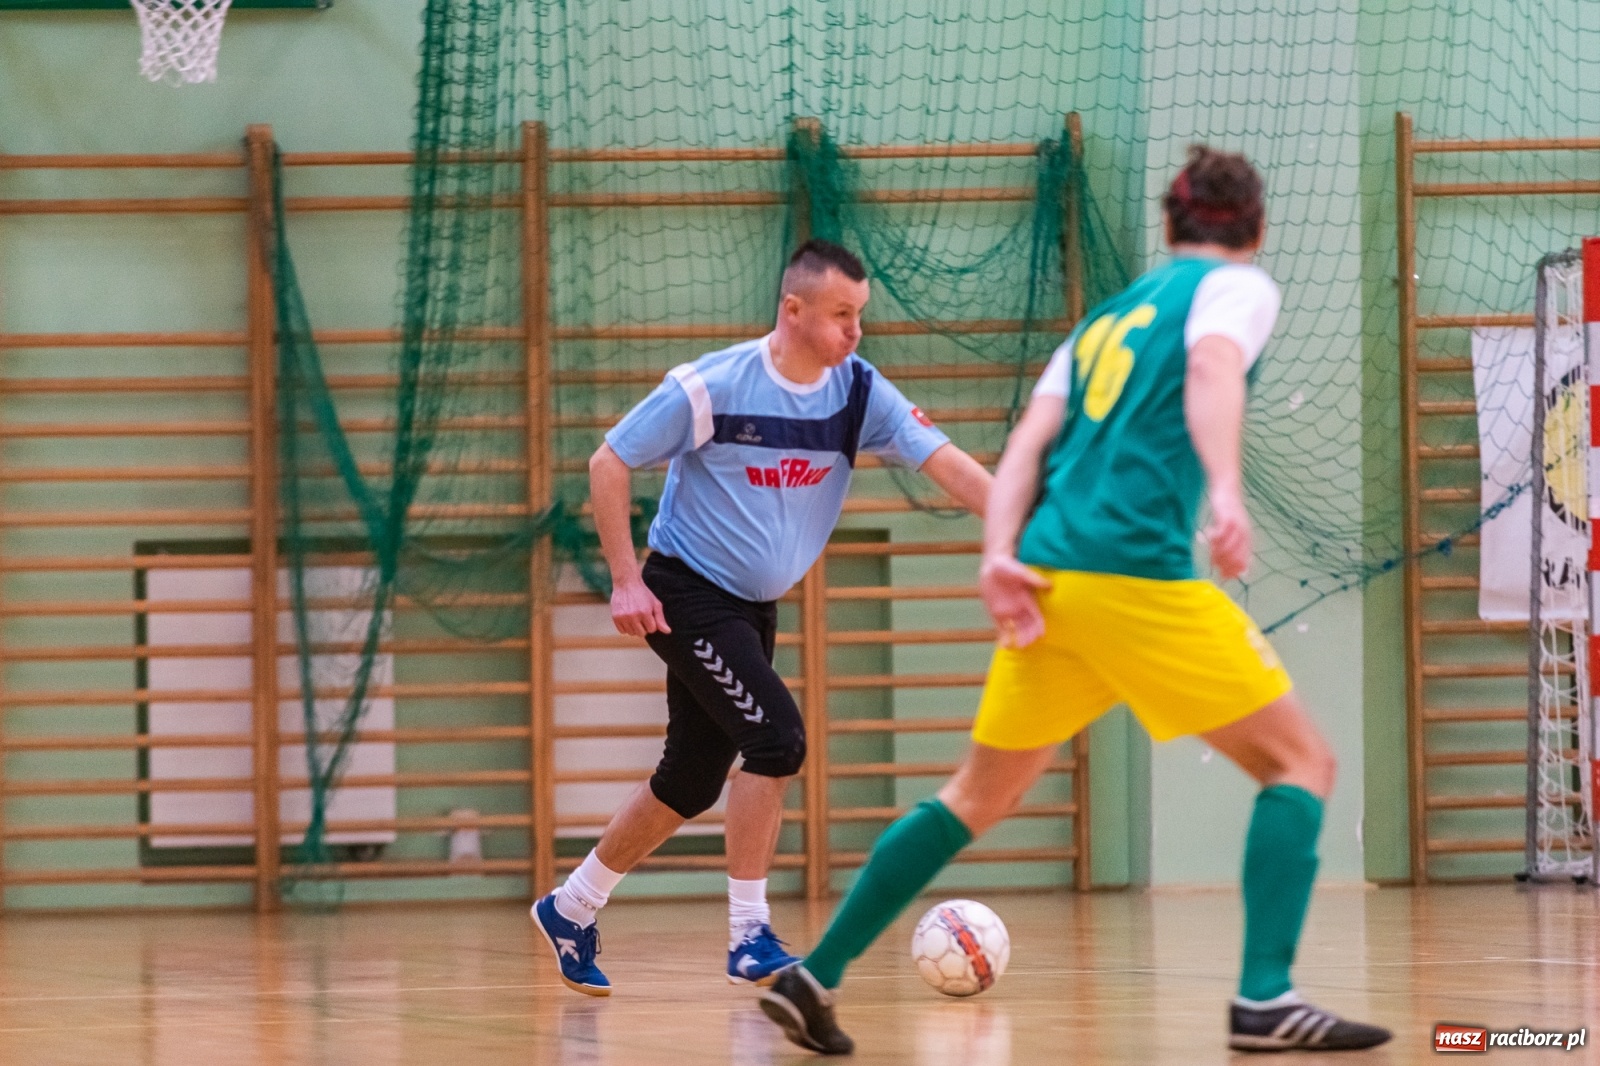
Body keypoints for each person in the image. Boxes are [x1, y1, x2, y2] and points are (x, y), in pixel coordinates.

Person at [758, 147, 1393, 1055]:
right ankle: (1264, 998)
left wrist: (997, 554)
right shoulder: (1237, 289)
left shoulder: (1103, 321)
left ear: (1170, 229)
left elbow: (1027, 445)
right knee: (1302, 766)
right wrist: (1224, 491)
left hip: (1050, 576)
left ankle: (814, 974)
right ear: (1252, 228)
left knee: (971, 797)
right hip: (1135, 576)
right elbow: (1213, 372)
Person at [531, 238, 993, 996]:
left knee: (689, 780)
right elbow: (608, 461)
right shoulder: (713, 386)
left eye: (860, 316)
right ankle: (749, 935)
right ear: (794, 310)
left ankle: (571, 906)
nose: (855, 332)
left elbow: (944, 461)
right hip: (688, 591)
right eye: (842, 315)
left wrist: (1021, 521)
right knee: (778, 741)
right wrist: (623, 580)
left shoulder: (859, 392)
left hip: (750, 608)